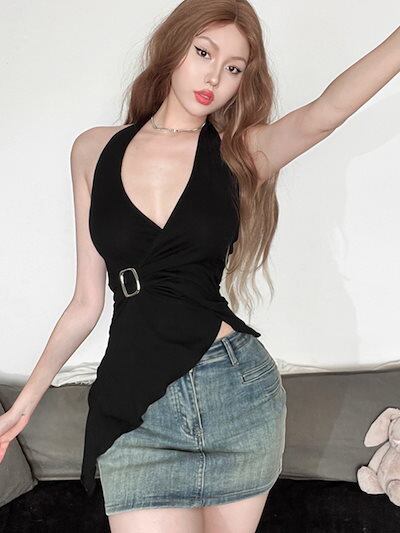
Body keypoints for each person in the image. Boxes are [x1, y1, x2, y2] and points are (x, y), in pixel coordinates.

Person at [1, 1, 399, 531]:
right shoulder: (92, 151)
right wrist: (26, 401)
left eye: (233, 68)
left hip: (235, 392)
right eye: (203, 53)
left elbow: (324, 113)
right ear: (173, 49)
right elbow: (85, 303)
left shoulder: (241, 153)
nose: (214, 77)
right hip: (137, 410)